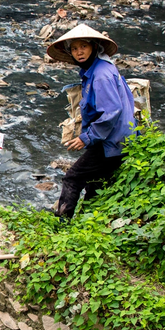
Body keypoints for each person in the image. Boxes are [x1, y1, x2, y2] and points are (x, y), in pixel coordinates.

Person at [46, 23, 136, 219]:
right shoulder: (96, 70)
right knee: (94, 184)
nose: (79, 52)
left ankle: (60, 225)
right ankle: (87, 225)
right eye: (75, 48)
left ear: (94, 47)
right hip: (116, 139)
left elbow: (111, 112)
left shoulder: (101, 75)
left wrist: (86, 138)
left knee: (72, 178)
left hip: (111, 142)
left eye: (83, 47)